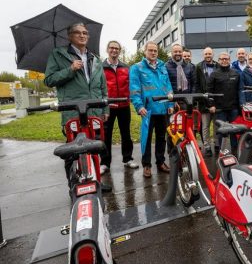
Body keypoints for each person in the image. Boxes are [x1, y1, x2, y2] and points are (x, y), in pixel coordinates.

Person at [44, 22, 110, 191]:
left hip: (94, 110)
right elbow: (49, 80)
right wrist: (70, 69)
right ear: (70, 36)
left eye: (85, 33)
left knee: (94, 147)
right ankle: (73, 185)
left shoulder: (95, 58)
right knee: (73, 151)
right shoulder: (58, 55)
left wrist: (105, 109)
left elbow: (103, 87)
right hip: (72, 111)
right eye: (78, 33)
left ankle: (96, 181)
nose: (82, 35)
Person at [130, 41, 173, 178]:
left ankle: (160, 162)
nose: (153, 53)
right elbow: (134, 88)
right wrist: (139, 105)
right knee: (146, 138)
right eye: (150, 50)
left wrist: (171, 104)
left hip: (163, 108)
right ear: (145, 52)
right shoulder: (137, 68)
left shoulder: (162, 66)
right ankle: (147, 165)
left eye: (155, 50)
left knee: (162, 138)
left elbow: (168, 86)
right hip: (147, 110)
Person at [100, 41, 138, 175]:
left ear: (119, 51)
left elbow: (131, 85)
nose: (114, 50)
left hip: (124, 105)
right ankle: (105, 163)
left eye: (116, 48)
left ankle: (127, 159)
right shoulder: (100, 67)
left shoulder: (126, 67)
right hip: (108, 106)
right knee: (106, 135)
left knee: (126, 134)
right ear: (107, 49)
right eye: (111, 48)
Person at [207, 52, 240, 149]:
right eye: (222, 59)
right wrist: (211, 105)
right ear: (219, 60)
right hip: (219, 108)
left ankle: (235, 149)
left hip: (233, 108)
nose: (224, 61)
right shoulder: (214, 74)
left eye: (226, 59)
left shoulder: (235, 73)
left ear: (229, 60)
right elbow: (209, 91)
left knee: (234, 130)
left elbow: (239, 90)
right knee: (222, 131)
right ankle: (223, 151)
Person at [195, 47, 218, 156]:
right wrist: (202, 100)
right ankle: (207, 147)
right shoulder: (199, 66)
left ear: (212, 54)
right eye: (206, 54)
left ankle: (217, 145)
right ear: (203, 55)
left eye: (209, 53)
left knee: (216, 125)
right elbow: (197, 84)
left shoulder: (218, 66)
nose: (208, 55)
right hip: (204, 102)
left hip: (216, 101)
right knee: (205, 127)